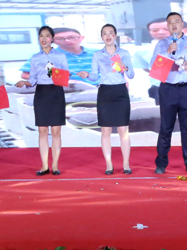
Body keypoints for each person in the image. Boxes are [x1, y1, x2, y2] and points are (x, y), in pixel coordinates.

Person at [152, 12, 187, 174]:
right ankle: (161, 163)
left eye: (176, 21)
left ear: (182, 24)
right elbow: (154, 67)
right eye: (170, 23)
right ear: (168, 26)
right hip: (168, 89)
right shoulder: (162, 44)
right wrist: (167, 52)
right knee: (166, 127)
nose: (174, 25)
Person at [77, 24, 135, 174]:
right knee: (106, 131)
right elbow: (94, 76)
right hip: (105, 92)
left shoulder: (124, 53)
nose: (108, 36)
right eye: (105, 33)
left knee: (123, 130)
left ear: (115, 35)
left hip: (120, 91)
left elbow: (131, 75)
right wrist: (87, 75)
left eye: (111, 33)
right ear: (102, 37)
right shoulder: (97, 55)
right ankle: (109, 165)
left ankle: (126, 164)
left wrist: (125, 67)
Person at [16, 26, 68, 175]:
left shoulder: (61, 56)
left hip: (56, 93)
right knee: (42, 131)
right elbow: (32, 79)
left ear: (52, 38)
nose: (44, 39)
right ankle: (44, 166)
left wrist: (56, 73)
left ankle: (55, 166)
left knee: (56, 132)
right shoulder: (35, 58)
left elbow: (65, 77)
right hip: (41, 94)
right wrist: (25, 82)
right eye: (41, 36)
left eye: (47, 36)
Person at [133, 18, 187, 104]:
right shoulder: (143, 50)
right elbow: (146, 68)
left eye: (167, 29)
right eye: (154, 30)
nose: (160, 32)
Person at [21, 27, 98, 86]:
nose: (67, 40)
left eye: (72, 37)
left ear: (81, 38)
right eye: (60, 38)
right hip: (68, 89)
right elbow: (26, 75)